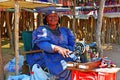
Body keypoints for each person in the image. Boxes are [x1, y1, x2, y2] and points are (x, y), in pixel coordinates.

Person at [26, 10, 77, 80]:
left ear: (58, 18)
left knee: (77, 63)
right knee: (65, 65)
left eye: (55, 16)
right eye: (50, 16)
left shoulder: (65, 30)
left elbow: (72, 43)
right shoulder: (42, 30)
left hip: (64, 55)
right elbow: (44, 45)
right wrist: (58, 48)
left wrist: (69, 50)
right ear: (46, 18)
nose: (53, 18)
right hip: (46, 56)